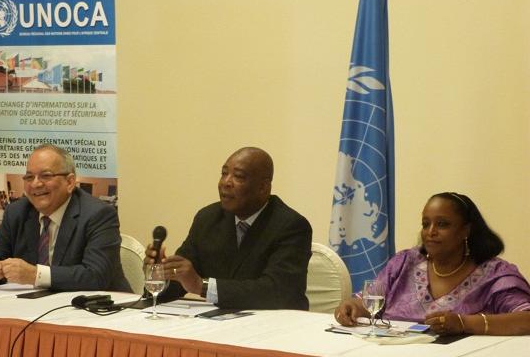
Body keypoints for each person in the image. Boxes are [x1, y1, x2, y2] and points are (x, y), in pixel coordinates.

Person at [334, 192, 530, 335]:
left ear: (466, 230)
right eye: (426, 224)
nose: (430, 232)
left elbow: (526, 319)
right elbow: (369, 302)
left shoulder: (495, 275)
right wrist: (351, 306)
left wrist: (464, 323)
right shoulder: (405, 263)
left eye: (442, 224)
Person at [144, 147, 312, 310]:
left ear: (263, 187)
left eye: (238, 176)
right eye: (224, 173)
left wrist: (201, 286)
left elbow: (277, 291)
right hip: (219, 321)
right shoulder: (208, 219)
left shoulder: (291, 226)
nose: (226, 182)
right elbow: (183, 281)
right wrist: (160, 275)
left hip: (276, 324)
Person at [0, 144, 131, 292]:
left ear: (70, 182)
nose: (35, 184)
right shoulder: (17, 212)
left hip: (100, 304)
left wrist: (35, 275)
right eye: (29, 177)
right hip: (34, 303)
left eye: (46, 176)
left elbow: (96, 276)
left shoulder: (98, 214)